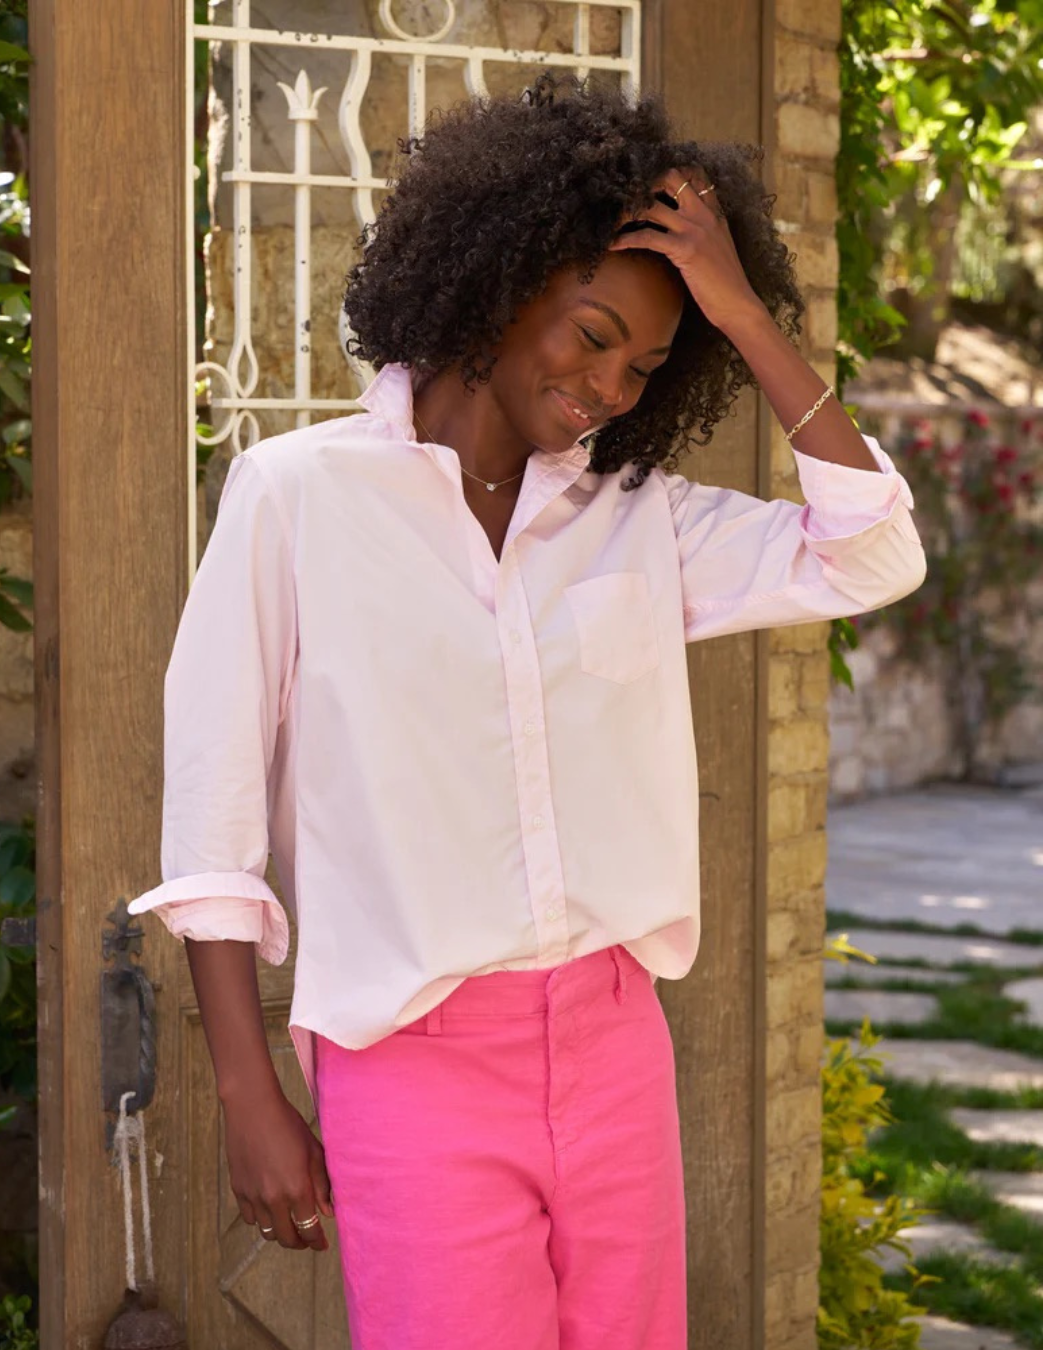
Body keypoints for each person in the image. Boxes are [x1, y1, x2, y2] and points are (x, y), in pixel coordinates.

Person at [128, 72, 926, 1350]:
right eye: (591, 335)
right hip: (413, 1061)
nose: (609, 385)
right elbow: (213, 822)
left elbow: (873, 554)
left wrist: (743, 313)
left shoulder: (639, 518)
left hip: (615, 1044)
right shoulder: (297, 499)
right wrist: (246, 1091)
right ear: (499, 286)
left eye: (648, 365)